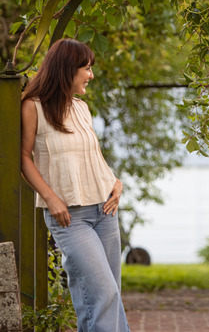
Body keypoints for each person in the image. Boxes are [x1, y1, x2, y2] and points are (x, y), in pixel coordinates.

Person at [21, 38, 130, 332]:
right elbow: (23, 157)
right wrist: (50, 198)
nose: (91, 75)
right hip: (69, 217)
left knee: (102, 296)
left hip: (105, 210)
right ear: (67, 69)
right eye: (87, 68)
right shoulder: (33, 107)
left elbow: (91, 155)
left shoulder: (82, 108)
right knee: (104, 292)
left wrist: (114, 181)